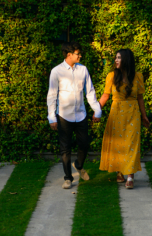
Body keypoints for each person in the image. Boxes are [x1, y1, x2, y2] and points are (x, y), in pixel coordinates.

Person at [47, 42, 102, 189]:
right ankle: (68, 178)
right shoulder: (56, 71)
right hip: (64, 116)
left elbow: (90, 92)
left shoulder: (83, 70)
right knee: (65, 148)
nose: (80, 55)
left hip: (81, 115)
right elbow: (52, 95)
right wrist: (52, 117)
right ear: (69, 54)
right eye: (78, 53)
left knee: (84, 144)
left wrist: (97, 110)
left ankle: (78, 165)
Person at [98, 48, 150, 189]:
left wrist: (144, 116)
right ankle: (120, 170)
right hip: (116, 113)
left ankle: (130, 176)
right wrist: (97, 110)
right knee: (118, 144)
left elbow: (140, 98)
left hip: (133, 113)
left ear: (126, 60)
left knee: (132, 144)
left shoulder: (138, 76)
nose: (116, 60)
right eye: (116, 57)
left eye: (119, 57)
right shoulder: (111, 76)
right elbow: (105, 96)